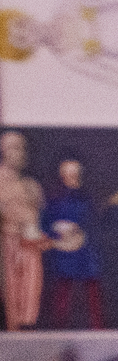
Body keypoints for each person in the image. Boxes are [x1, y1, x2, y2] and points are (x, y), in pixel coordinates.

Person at [35, 156, 101, 328]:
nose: (72, 177)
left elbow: (95, 223)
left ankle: (98, 329)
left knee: (93, 292)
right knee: (62, 292)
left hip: (85, 252)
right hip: (63, 252)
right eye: (68, 174)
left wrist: (82, 230)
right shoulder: (53, 200)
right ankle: (60, 330)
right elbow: (44, 224)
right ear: (61, 175)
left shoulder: (88, 198)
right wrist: (54, 236)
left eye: (75, 174)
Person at [0, 129, 44, 331]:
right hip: (7, 247)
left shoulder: (31, 185)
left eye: (22, 148)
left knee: (29, 303)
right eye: (14, 148)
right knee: (12, 303)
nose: (20, 153)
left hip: (30, 247)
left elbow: (37, 217)